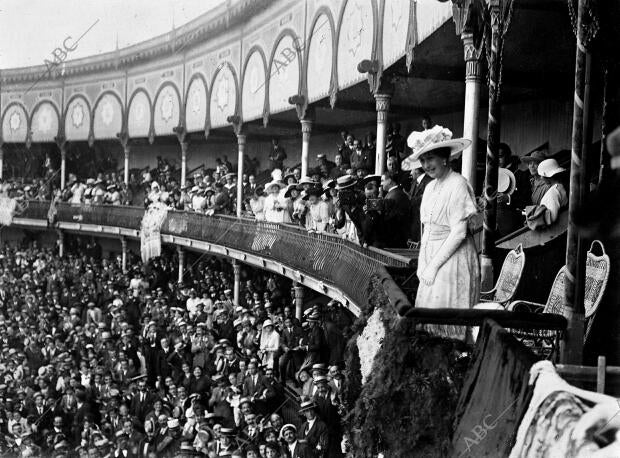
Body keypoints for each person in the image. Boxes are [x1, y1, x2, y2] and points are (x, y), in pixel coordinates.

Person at [409, 125, 480, 340]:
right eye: (422, 160)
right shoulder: (430, 187)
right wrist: (423, 264)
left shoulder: (458, 184)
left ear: (444, 158)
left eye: (430, 158)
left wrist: (433, 267)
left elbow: (458, 233)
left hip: (453, 259)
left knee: (447, 324)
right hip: (432, 255)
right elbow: (426, 231)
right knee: (428, 320)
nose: (426, 165)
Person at [535, 158, 568, 226]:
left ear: (547, 176)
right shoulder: (561, 186)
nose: (541, 178)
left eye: (542, 176)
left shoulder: (553, 191)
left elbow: (552, 218)